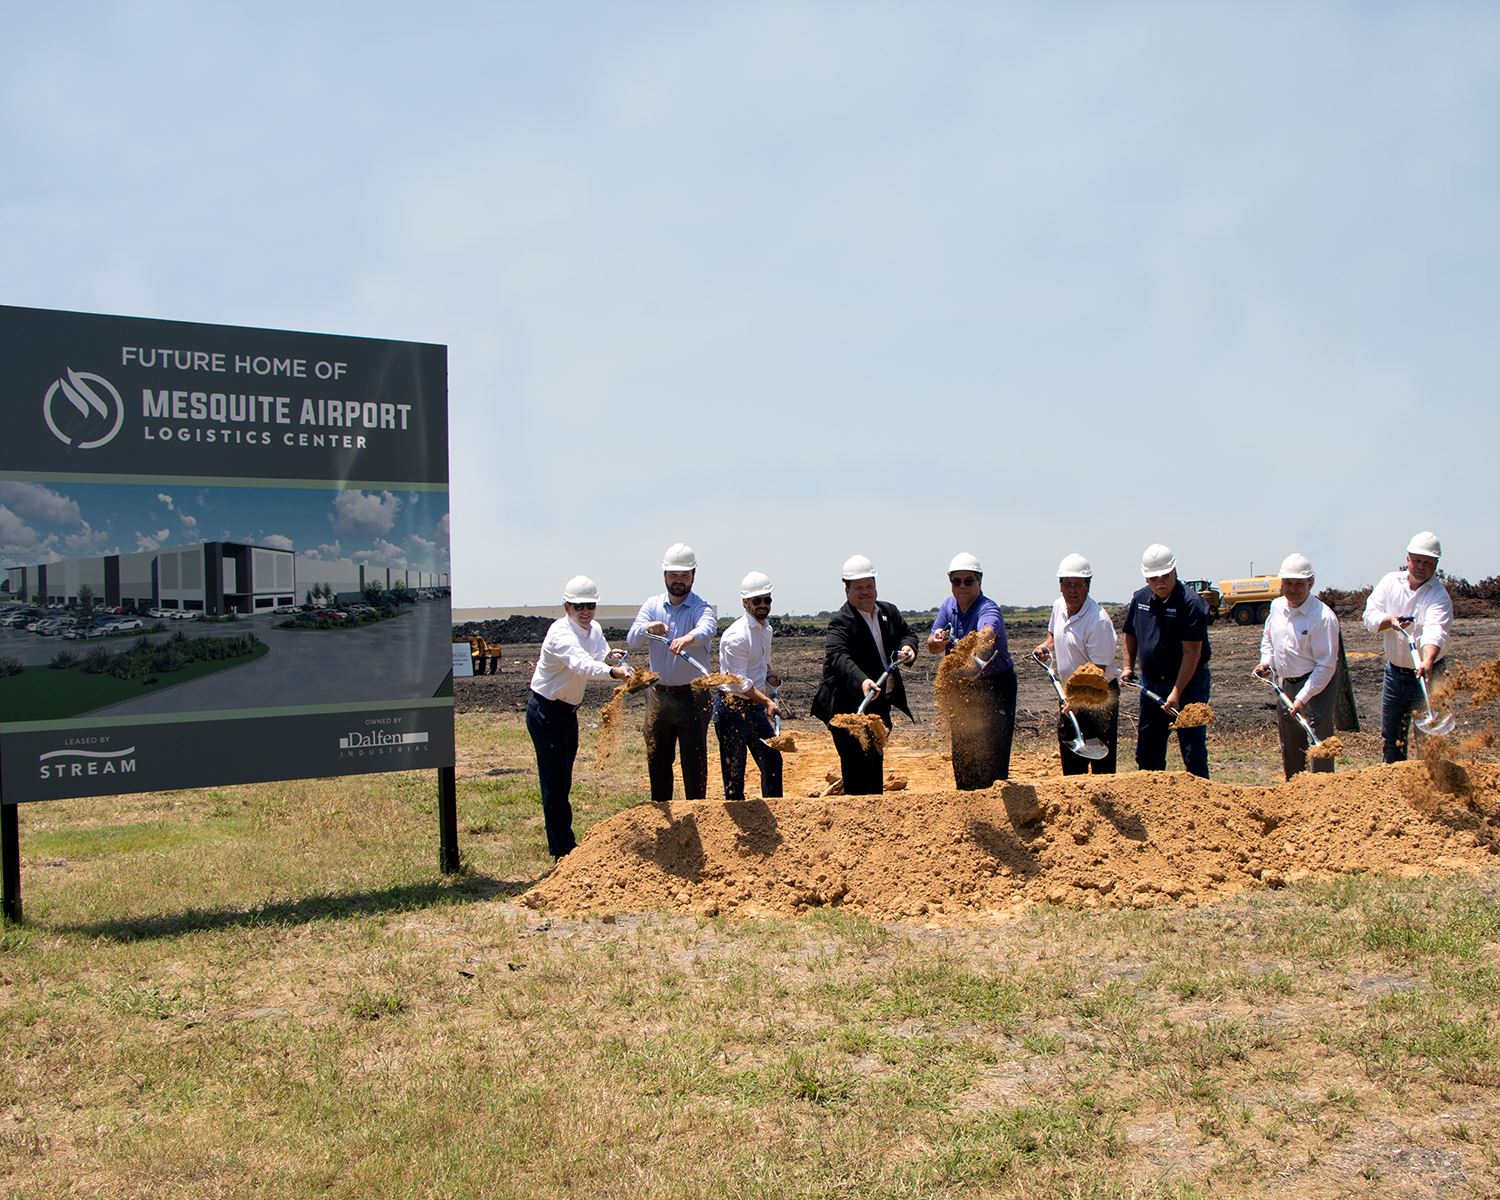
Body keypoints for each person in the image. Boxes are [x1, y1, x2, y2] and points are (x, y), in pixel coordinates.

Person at [526, 576, 630, 859]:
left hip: (567, 712)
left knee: (564, 780)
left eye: (590, 606)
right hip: (546, 711)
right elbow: (582, 664)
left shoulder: (593, 628)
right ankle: (562, 850)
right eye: (578, 606)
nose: (585, 611)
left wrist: (611, 657)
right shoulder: (561, 633)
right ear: (566, 606)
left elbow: (597, 654)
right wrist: (612, 672)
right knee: (555, 783)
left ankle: (564, 843)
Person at [810, 555, 918, 795]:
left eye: (869, 586)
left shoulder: (888, 611)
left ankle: (874, 811)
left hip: (878, 702)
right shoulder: (841, 621)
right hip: (847, 706)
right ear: (846, 589)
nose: (865, 592)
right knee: (856, 764)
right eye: (859, 588)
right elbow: (838, 657)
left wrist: (909, 648)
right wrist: (862, 681)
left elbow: (906, 634)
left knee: (874, 759)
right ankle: (857, 817)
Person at [626, 542, 718, 801]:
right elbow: (632, 639)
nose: (679, 580)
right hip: (659, 697)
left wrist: (688, 639)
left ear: (693, 576)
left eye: (684, 575)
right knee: (657, 758)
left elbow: (707, 628)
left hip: (693, 697)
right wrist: (647, 628)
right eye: (674, 575)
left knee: (694, 761)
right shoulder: (652, 605)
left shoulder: (700, 607)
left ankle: (697, 812)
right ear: (664, 576)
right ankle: (662, 813)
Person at [924, 552, 1017, 788]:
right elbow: (932, 645)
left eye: (969, 581)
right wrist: (937, 640)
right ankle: (967, 798)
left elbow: (987, 633)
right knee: (963, 750)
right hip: (961, 686)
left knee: (992, 749)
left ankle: (994, 800)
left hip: (994, 685)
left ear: (979, 582)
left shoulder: (988, 608)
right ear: (951, 583)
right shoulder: (948, 606)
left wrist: (973, 653)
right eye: (957, 581)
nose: (962, 586)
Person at [1121, 543, 1212, 778]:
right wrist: (1128, 666)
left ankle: (1201, 803)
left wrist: (1176, 692)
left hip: (1189, 684)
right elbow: (1130, 632)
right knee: (1148, 750)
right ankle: (1152, 799)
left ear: (1174, 572)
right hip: (1152, 683)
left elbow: (1192, 653)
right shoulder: (1140, 599)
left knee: (1193, 748)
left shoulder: (1191, 604)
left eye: (1164, 576)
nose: (1159, 582)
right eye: (1152, 578)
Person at [1362, 531, 1453, 763]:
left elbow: (1435, 631)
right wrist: (1390, 621)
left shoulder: (1438, 597)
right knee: (1392, 736)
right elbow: (1370, 616)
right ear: (1408, 559)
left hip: (1429, 673)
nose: (1421, 566)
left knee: (1429, 740)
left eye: (1428, 562)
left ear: (1436, 564)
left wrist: (1427, 660)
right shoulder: (1390, 582)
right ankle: (1395, 786)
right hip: (1395, 674)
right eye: (1417, 561)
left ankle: (1430, 789)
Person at [1254, 553, 1341, 778]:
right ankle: (1294, 788)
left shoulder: (1322, 618)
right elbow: (1269, 641)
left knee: (1318, 742)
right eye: (1288, 584)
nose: (1292, 589)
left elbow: (1326, 666)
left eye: (1298, 584)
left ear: (1310, 583)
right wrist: (1267, 663)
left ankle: (1323, 791)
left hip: (1316, 685)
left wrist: (1302, 698)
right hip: (1287, 683)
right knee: (1290, 740)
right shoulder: (1276, 607)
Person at [1034, 553, 1119, 775]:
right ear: (1060, 586)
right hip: (1069, 693)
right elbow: (1053, 634)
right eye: (1068, 584)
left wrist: (1080, 701)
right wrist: (1045, 647)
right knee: (1071, 757)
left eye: (1078, 585)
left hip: (1099, 694)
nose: (1072, 590)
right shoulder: (1058, 606)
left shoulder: (1097, 620)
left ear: (1088, 586)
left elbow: (1097, 671)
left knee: (1101, 757)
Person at [713, 570, 783, 802]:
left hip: (753, 708)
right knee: (734, 771)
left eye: (767, 600)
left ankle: (776, 809)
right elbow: (740, 683)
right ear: (745, 602)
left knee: (772, 760)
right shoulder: (736, 636)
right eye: (757, 600)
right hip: (732, 708)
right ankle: (737, 820)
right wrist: (767, 701)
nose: (763, 605)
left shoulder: (767, 630)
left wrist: (771, 676)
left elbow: (764, 663)